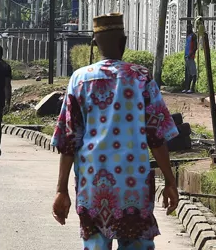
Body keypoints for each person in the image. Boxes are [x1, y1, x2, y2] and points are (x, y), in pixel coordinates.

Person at [52, 13, 180, 250]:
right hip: (134, 187)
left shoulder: (79, 80)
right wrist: (170, 182)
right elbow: (157, 137)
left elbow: (68, 140)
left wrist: (61, 190)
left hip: (93, 188)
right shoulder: (141, 78)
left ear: (94, 43)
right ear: (124, 42)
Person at [182, 20, 198, 93]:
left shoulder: (193, 36)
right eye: (187, 27)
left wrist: (191, 54)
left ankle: (192, 88)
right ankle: (187, 88)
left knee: (193, 73)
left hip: (190, 57)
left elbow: (195, 47)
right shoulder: (188, 36)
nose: (188, 29)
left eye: (189, 27)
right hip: (186, 57)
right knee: (188, 73)